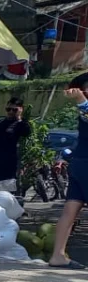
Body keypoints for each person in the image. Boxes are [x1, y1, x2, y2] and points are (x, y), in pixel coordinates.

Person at [47, 75, 88, 269]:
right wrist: (81, 100)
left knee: (70, 210)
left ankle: (58, 255)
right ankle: (58, 255)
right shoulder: (85, 108)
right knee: (69, 211)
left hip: (79, 163)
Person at [0, 98, 32, 184]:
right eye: (8, 109)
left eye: (14, 110)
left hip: (9, 163)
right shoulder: (1, 123)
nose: (11, 112)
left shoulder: (21, 123)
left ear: (20, 110)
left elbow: (26, 133)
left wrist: (19, 118)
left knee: (6, 189)